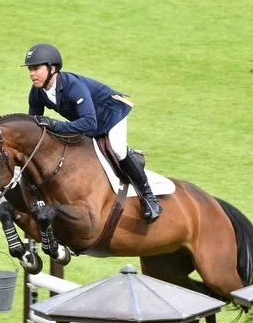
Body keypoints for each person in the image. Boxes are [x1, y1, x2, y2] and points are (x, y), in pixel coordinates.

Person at [23, 43, 162, 223]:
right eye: (30, 69)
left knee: (118, 149)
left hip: (111, 113)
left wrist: (55, 126)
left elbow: (89, 122)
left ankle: (149, 198)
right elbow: (33, 125)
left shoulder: (73, 86)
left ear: (53, 68)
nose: (32, 73)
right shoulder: (37, 92)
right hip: (88, 120)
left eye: (36, 68)